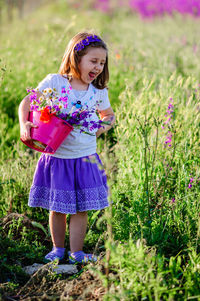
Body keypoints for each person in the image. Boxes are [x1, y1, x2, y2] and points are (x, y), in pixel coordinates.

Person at [18, 32, 115, 264]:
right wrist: (25, 123)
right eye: (93, 61)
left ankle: (77, 252)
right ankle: (57, 249)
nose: (99, 67)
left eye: (102, 63)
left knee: (81, 209)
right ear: (76, 57)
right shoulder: (56, 82)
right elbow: (27, 101)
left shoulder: (98, 92)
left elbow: (109, 116)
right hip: (57, 157)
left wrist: (99, 128)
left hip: (85, 158)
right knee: (58, 207)